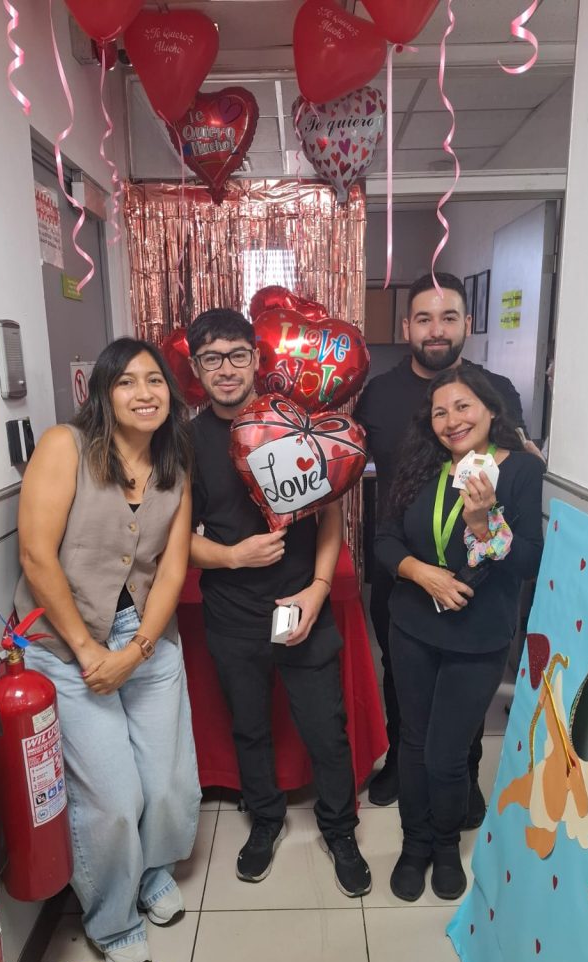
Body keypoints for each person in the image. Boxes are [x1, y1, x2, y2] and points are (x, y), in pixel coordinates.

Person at [14, 338, 201, 962]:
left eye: (155, 380)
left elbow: (172, 566)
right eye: (126, 382)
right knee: (113, 798)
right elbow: (37, 556)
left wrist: (140, 646)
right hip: (63, 645)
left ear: (170, 393)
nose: (144, 393)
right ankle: (112, 916)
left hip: (146, 634)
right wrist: (90, 651)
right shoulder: (64, 446)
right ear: (103, 393)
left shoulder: (175, 461)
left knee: (168, 784)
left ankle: (151, 871)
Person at [187, 307, 371, 898]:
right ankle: (265, 820)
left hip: (300, 605)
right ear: (197, 369)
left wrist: (318, 589)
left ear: (256, 359)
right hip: (232, 613)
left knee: (326, 729)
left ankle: (340, 830)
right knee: (248, 727)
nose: (226, 369)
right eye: (212, 359)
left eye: (237, 355)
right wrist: (232, 556)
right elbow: (176, 539)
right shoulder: (186, 442)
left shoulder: (293, 420)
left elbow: (330, 515)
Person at [355, 271, 527, 810]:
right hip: (402, 565)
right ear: (406, 327)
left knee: (464, 688)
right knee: (400, 672)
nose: (436, 330)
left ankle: (461, 770)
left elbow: (517, 463)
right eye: (424, 319)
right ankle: (402, 763)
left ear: (467, 323)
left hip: (479, 574)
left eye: (448, 317)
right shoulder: (378, 394)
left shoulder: (495, 391)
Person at [375, 364, 543, 901]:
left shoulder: (520, 470)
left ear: (491, 410)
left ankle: (445, 847)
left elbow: (527, 563)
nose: (451, 421)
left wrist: (483, 523)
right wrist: (420, 573)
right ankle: (414, 845)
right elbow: (384, 539)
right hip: (412, 627)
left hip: (478, 637)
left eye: (463, 406)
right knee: (413, 743)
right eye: (440, 412)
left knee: (447, 754)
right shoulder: (420, 465)